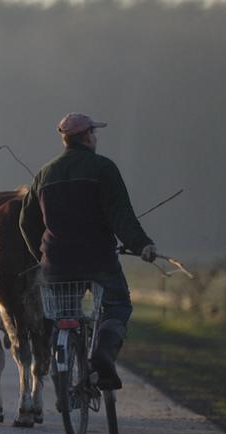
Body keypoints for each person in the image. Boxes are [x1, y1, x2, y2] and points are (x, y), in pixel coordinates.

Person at [19, 113, 157, 390]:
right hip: (98, 260)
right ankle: (104, 354)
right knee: (117, 304)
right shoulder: (103, 168)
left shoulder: (44, 174)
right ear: (87, 136)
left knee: (62, 313)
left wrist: (42, 256)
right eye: (94, 132)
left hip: (56, 264)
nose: (96, 137)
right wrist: (142, 244)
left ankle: (61, 363)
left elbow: (26, 222)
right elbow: (121, 215)